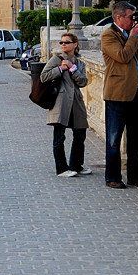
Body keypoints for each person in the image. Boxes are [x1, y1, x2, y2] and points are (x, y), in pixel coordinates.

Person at [101, 1, 138, 189]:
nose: (134, 20)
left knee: (137, 138)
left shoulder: (131, 34)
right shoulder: (109, 35)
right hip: (117, 94)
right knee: (113, 139)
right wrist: (133, 36)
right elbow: (123, 56)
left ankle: (135, 176)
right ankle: (112, 177)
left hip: (136, 92)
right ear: (118, 17)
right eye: (130, 17)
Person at [41, 32, 91, 177]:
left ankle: (76, 165)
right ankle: (61, 168)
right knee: (59, 137)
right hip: (60, 102)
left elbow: (83, 82)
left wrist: (72, 68)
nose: (63, 45)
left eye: (67, 42)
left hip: (76, 102)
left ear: (75, 45)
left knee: (80, 135)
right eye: (61, 42)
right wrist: (60, 69)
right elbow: (44, 76)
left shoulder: (80, 63)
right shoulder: (56, 59)